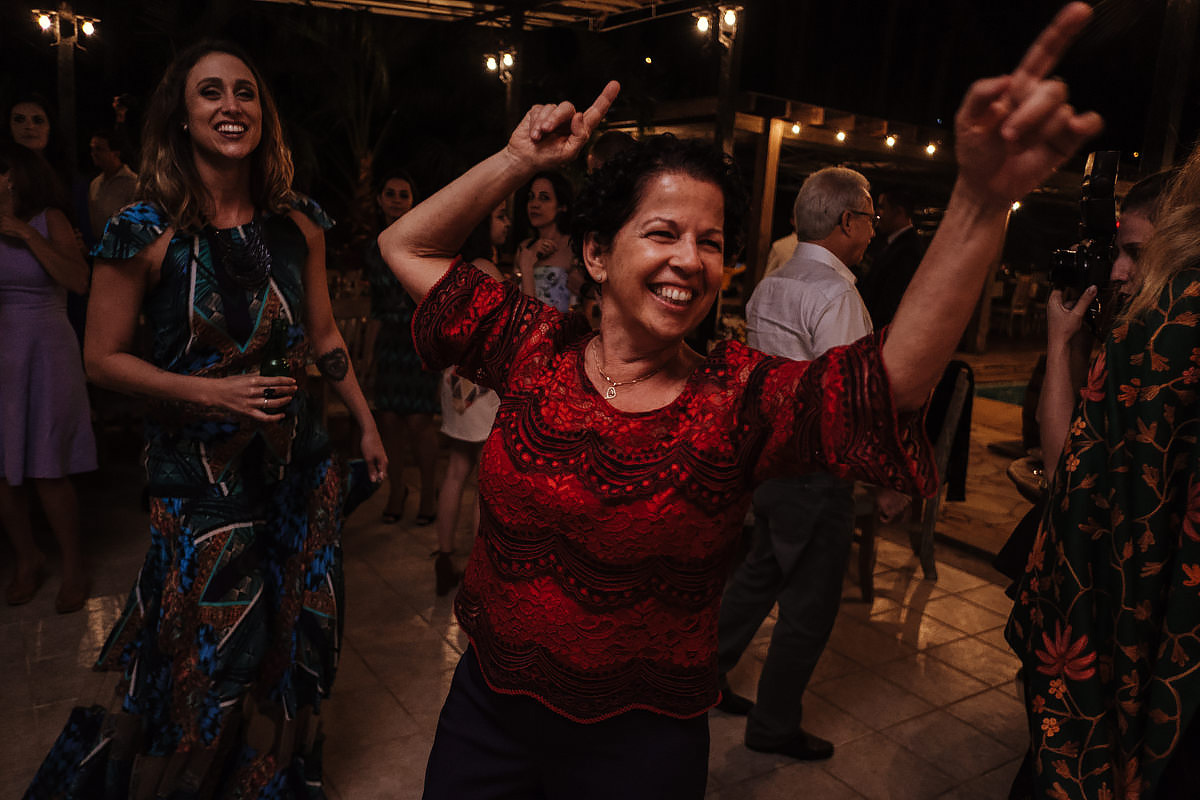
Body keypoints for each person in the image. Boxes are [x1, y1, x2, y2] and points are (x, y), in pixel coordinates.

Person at [378, 5, 1101, 795]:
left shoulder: (738, 397)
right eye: (662, 233)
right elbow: (405, 245)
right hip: (490, 715)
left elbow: (891, 379)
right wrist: (517, 159)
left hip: (641, 747)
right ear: (595, 253)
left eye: (712, 241)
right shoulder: (532, 345)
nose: (689, 260)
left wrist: (980, 200)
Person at [24, 41, 385, 798]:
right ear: (182, 119)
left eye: (246, 92)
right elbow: (101, 357)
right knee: (217, 651)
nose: (231, 106)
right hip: (200, 480)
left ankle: (268, 781)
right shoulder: (144, 228)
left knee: (298, 642)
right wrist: (210, 395)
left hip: (301, 469)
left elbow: (323, 336)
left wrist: (367, 422)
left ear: (264, 114)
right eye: (210, 93)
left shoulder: (300, 223)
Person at [1005, 167, 1191, 799]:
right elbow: (1067, 464)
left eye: (1134, 254)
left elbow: (1061, 473)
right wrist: (1061, 346)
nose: (1115, 271)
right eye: (1117, 251)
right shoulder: (1135, 341)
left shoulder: (1164, 344)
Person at [714, 167, 876, 761]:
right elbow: (848, 401)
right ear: (846, 221)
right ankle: (774, 724)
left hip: (771, 463)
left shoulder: (770, 286)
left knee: (760, 571)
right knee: (809, 607)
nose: (873, 231)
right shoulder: (835, 293)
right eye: (870, 219)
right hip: (813, 467)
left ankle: (705, 674)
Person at [0, 144, 95, 614]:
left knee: (47, 467)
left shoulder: (48, 217)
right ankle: (27, 559)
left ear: (14, 177)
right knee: (3, 470)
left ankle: (74, 565)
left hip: (48, 348)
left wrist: (23, 234)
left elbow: (78, 280)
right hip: (2, 355)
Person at [432, 204, 509, 596]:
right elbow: (506, 328)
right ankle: (481, 571)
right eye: (499, 215)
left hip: (453, 379)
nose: (507, 222)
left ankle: (444, 559)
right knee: (485, 478)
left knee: (456, 468)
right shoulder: (486, 267)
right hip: (480, 381)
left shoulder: (456, 267)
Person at [364, 171, 441, 525]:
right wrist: (367, 356)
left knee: (420, 421)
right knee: (390, 419)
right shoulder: (373, 247)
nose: (396, 199)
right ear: (380, 200)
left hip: (419, 336)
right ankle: (397, 490)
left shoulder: (423, 242)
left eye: (403, 194)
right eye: (390, 193)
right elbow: (375, 307)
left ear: (413, 201)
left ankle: (428, 492)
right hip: (389, 342)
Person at [858, 186, 923, 328]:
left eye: (882, 207)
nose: (877, 213)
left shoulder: (908, 250)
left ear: (898, 212)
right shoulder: (892, 243)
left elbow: (892, 301)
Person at [517, 169, 577, 312]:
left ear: (562, 206)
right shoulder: (524, 248)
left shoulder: (574, 247)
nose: (534, 204)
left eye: (544, 198)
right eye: (531, 197)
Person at [87, 129, 137, 244]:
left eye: (99, 149)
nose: (94, 153)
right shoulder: (94, 184)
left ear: (115, 153)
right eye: (92, 149)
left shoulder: (133, 183)